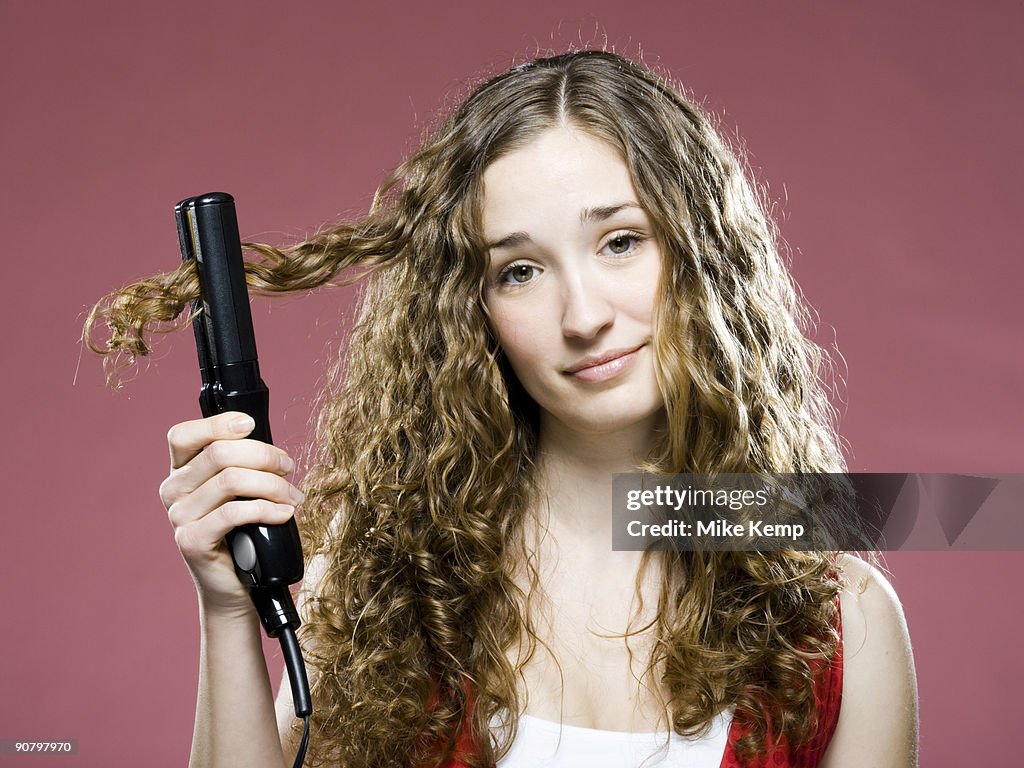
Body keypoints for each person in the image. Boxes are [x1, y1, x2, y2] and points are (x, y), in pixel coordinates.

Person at [84, 49, 918, 768]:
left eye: (621, 241)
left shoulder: (842, 621)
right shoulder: (389, 583)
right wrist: (229, 611)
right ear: (470, 310)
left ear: (702, 253)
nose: (583, 315)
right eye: (519, 270)